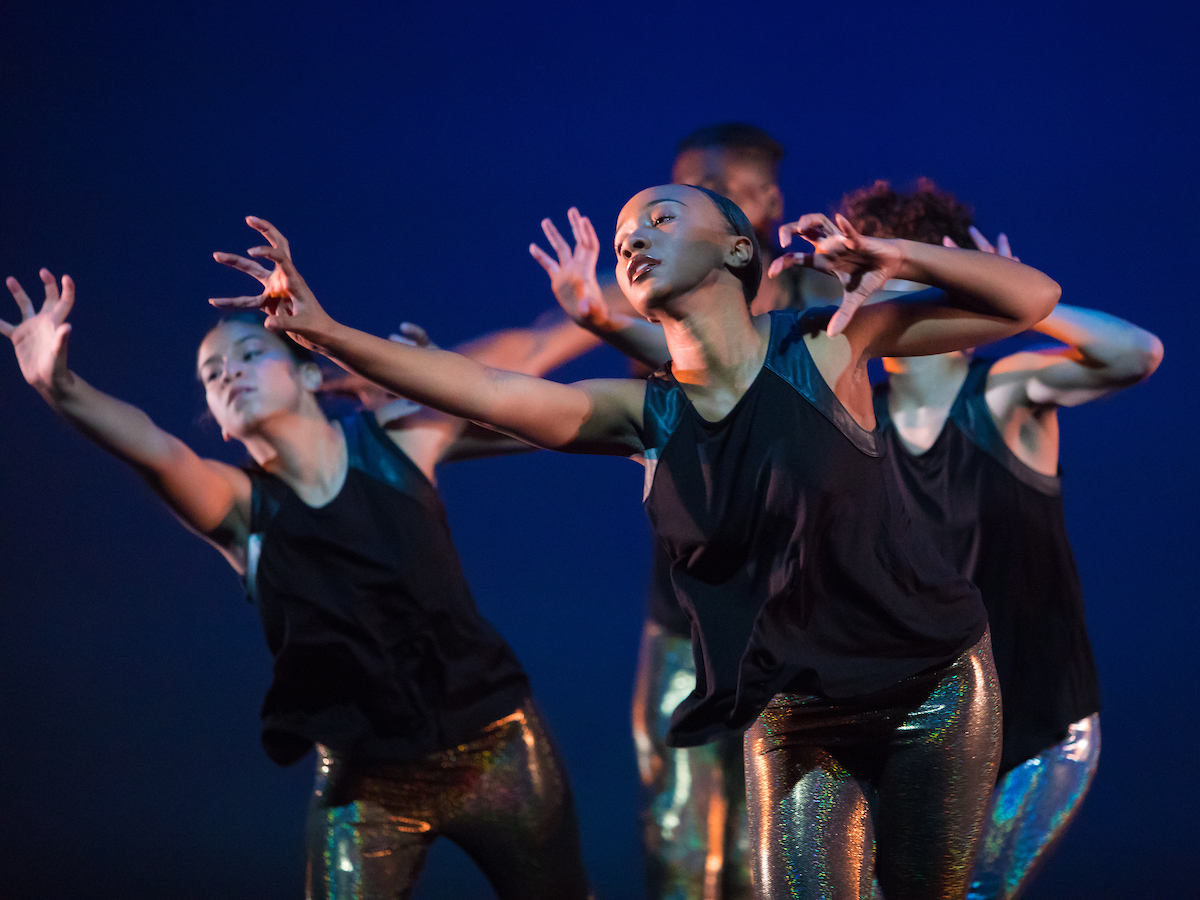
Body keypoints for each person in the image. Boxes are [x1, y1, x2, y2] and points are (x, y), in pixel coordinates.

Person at [210, 187, 1060, 898]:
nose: (632, 241)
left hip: (934, 686)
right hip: (799, 716)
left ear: (737, 249)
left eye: (657, 218)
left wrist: (900, 258)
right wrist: (322, 329)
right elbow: (484, 389)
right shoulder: (643, 417)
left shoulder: (828, 345)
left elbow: (1032, 300)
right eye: (622, 237)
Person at [0, 259, 594, 900]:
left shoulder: (399, 437)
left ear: (309, 372)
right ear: (220, 423)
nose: (230, 372)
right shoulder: (238, 507)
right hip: (366, 787)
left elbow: (526, 352)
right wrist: (60, 387)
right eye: (212, 373)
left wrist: (603, 311)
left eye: (249, 354)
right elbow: (154, 448)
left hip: (497, 749)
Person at [531, 123, 840, 900]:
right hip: (689, 617)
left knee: (778, 842)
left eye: (717, 190)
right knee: (677, 830)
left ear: (764, 207)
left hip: (808, 621)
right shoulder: (649, 288)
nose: (677, 211)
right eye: (671, 195)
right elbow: (525, 354)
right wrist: (390, 383)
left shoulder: (821, 304)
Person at [838, 179, 1163, 899]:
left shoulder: (1005, 392)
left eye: (890, 271)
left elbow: (1135, 353)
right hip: (921, 736)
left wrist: (1019, 311)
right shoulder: (857, 419)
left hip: (1037, 732)